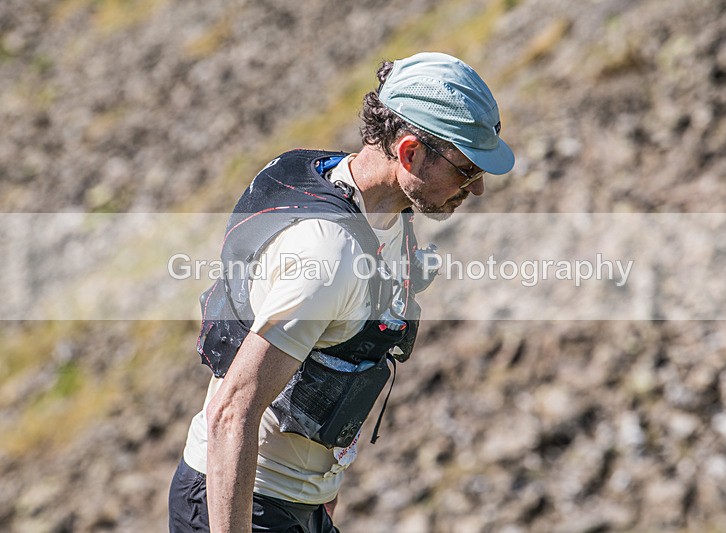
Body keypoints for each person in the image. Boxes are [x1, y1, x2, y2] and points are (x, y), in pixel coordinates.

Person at [168, 51, 514, 533]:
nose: (475, 190)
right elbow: (231, 412)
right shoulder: (328, 256)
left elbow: (341, 362)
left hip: (298, 505)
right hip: (238, 504)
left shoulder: (376, 209)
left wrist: (324, 500)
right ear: (410, 153)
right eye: (467, 170)